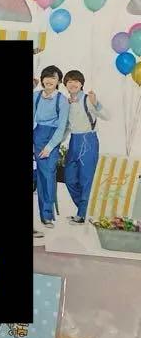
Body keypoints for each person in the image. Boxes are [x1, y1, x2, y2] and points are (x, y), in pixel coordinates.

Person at [62, 69, 107, 224]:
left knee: (86, 180)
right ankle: (86, 210)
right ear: (65, 85)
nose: (73, 84)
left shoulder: (88, 99)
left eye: (76, 81)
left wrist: (96, 104)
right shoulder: (67, 103)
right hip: (74, 141)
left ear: (81, 84)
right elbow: (67, 127)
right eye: (69, 81)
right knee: (69, 178)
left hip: (88, 141)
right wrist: (55, 143)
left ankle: (81, 214)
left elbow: (107, 116)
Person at [33, 66, 67, 228]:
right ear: (42, 79)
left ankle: (47, 215)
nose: (49, 80)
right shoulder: (36, 96)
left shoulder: (62, 100)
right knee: (39, 174)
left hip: (52, 137)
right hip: (37, 134)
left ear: (58, 80)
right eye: (46, 77)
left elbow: (62, 127)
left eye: (53, 77)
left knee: (48, 175)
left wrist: (50, 147)